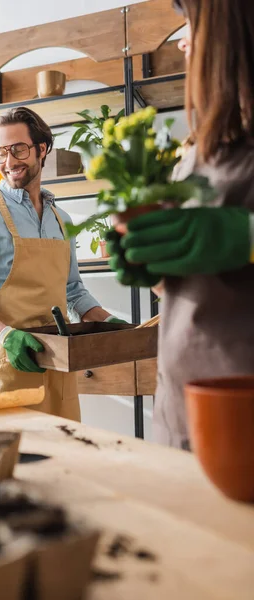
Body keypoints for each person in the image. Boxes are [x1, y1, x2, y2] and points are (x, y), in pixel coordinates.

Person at [106, 0, 254, 449]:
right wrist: (152, 264)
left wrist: (245, 237)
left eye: (191, 22)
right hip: (182, 414)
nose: (183, 40)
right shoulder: (196, 152)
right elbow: (182, 293)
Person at [0, 106, 123, 421]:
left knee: (67, 456)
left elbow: (72, 289)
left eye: (18, 149)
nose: (9, 161)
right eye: (0, 152)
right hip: (9, 365)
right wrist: (5, 335)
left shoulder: (62, 219)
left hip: (58, 367)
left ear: (42, 149)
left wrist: (109, 322)